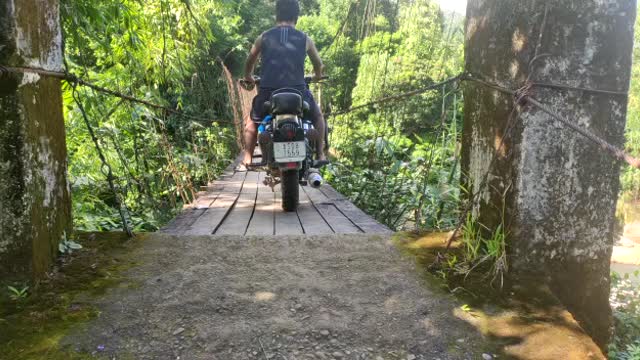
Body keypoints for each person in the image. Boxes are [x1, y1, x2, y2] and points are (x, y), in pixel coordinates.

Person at [239, 0, 326, 170]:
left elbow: (250, 60)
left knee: (252, 122)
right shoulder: (305, 38)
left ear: (276, 15)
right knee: (318, 118)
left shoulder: (263, 37)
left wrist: (248, 76)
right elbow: (318, 64)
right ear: (296, 16)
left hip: (268, 93)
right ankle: (321, 153)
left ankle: (248, 157)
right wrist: (316, 76)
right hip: (298, 93)